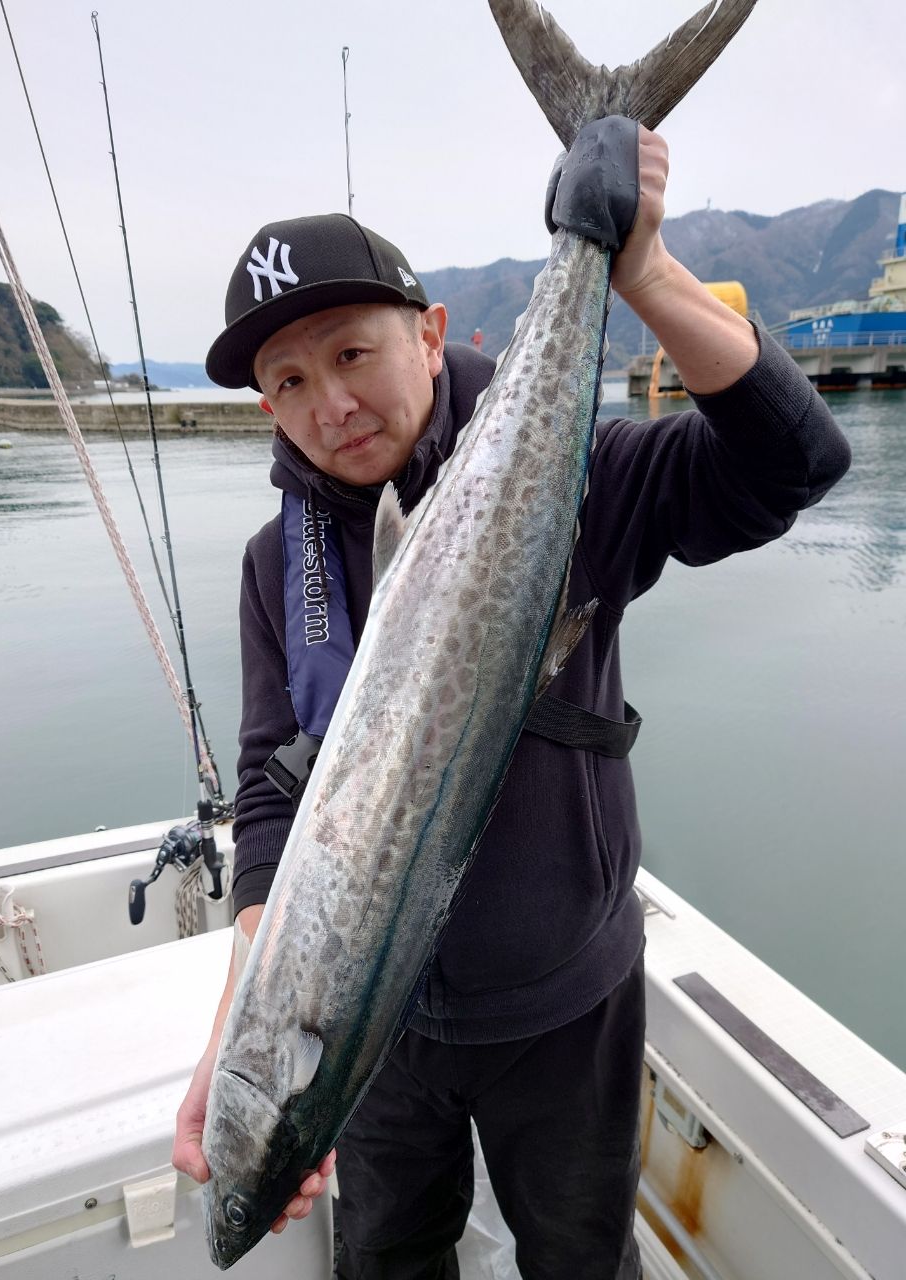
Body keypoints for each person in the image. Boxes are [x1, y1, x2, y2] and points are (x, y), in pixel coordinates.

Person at [172, 125, 851, 1279]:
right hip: (376, 1042)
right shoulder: (270, 568)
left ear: (431, 334)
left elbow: (795, 462)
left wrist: (636, 268)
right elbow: (268, 791)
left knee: (581, 1258)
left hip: (565, 1006)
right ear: (264, 409)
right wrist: (243, 1029)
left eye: (351, 352)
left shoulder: (579, 478)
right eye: (289, 381)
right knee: (387, 1258)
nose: (329, 403)